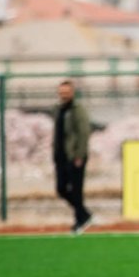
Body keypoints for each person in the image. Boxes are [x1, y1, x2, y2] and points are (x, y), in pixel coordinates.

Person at [52, 80, 93, 234]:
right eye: (61, 92)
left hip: (74, 156)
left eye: (66, 92)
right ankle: (85, 215)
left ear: (72, 92)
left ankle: (79, 221)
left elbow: (83, 132)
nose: (64, 95)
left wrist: (79, 155)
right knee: (61, 189)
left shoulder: (78, 110)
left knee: (76, 190)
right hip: (60, 156)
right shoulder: (58, 109)